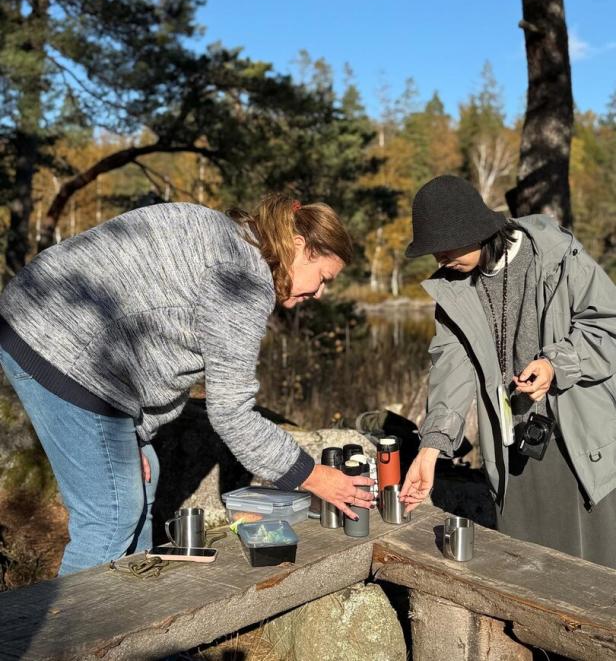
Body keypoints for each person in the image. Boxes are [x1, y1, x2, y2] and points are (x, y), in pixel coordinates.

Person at [0, 194, 373, 574]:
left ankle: (128, 616)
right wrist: (312, 476)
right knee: (111, 517)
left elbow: (138, 320)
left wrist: (135, 432)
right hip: (62, 346)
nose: (319, 293)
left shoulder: (224, 234)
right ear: (299, 246)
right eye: (323, 278)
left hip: (35, 317)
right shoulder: (243, 280)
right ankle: (68, 631)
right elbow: (231, 414)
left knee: (145, 476)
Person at [400, 175, 616, 568]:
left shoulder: (556, 256)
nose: (439, 261)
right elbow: (452, 368)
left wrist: (555, 364)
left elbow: (607, 327)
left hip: (580, 441)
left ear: (475, 230)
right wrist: (431, 448)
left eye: (444, 249)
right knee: (526, 569)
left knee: (595, 576)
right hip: (512, 445)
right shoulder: (454, 286)